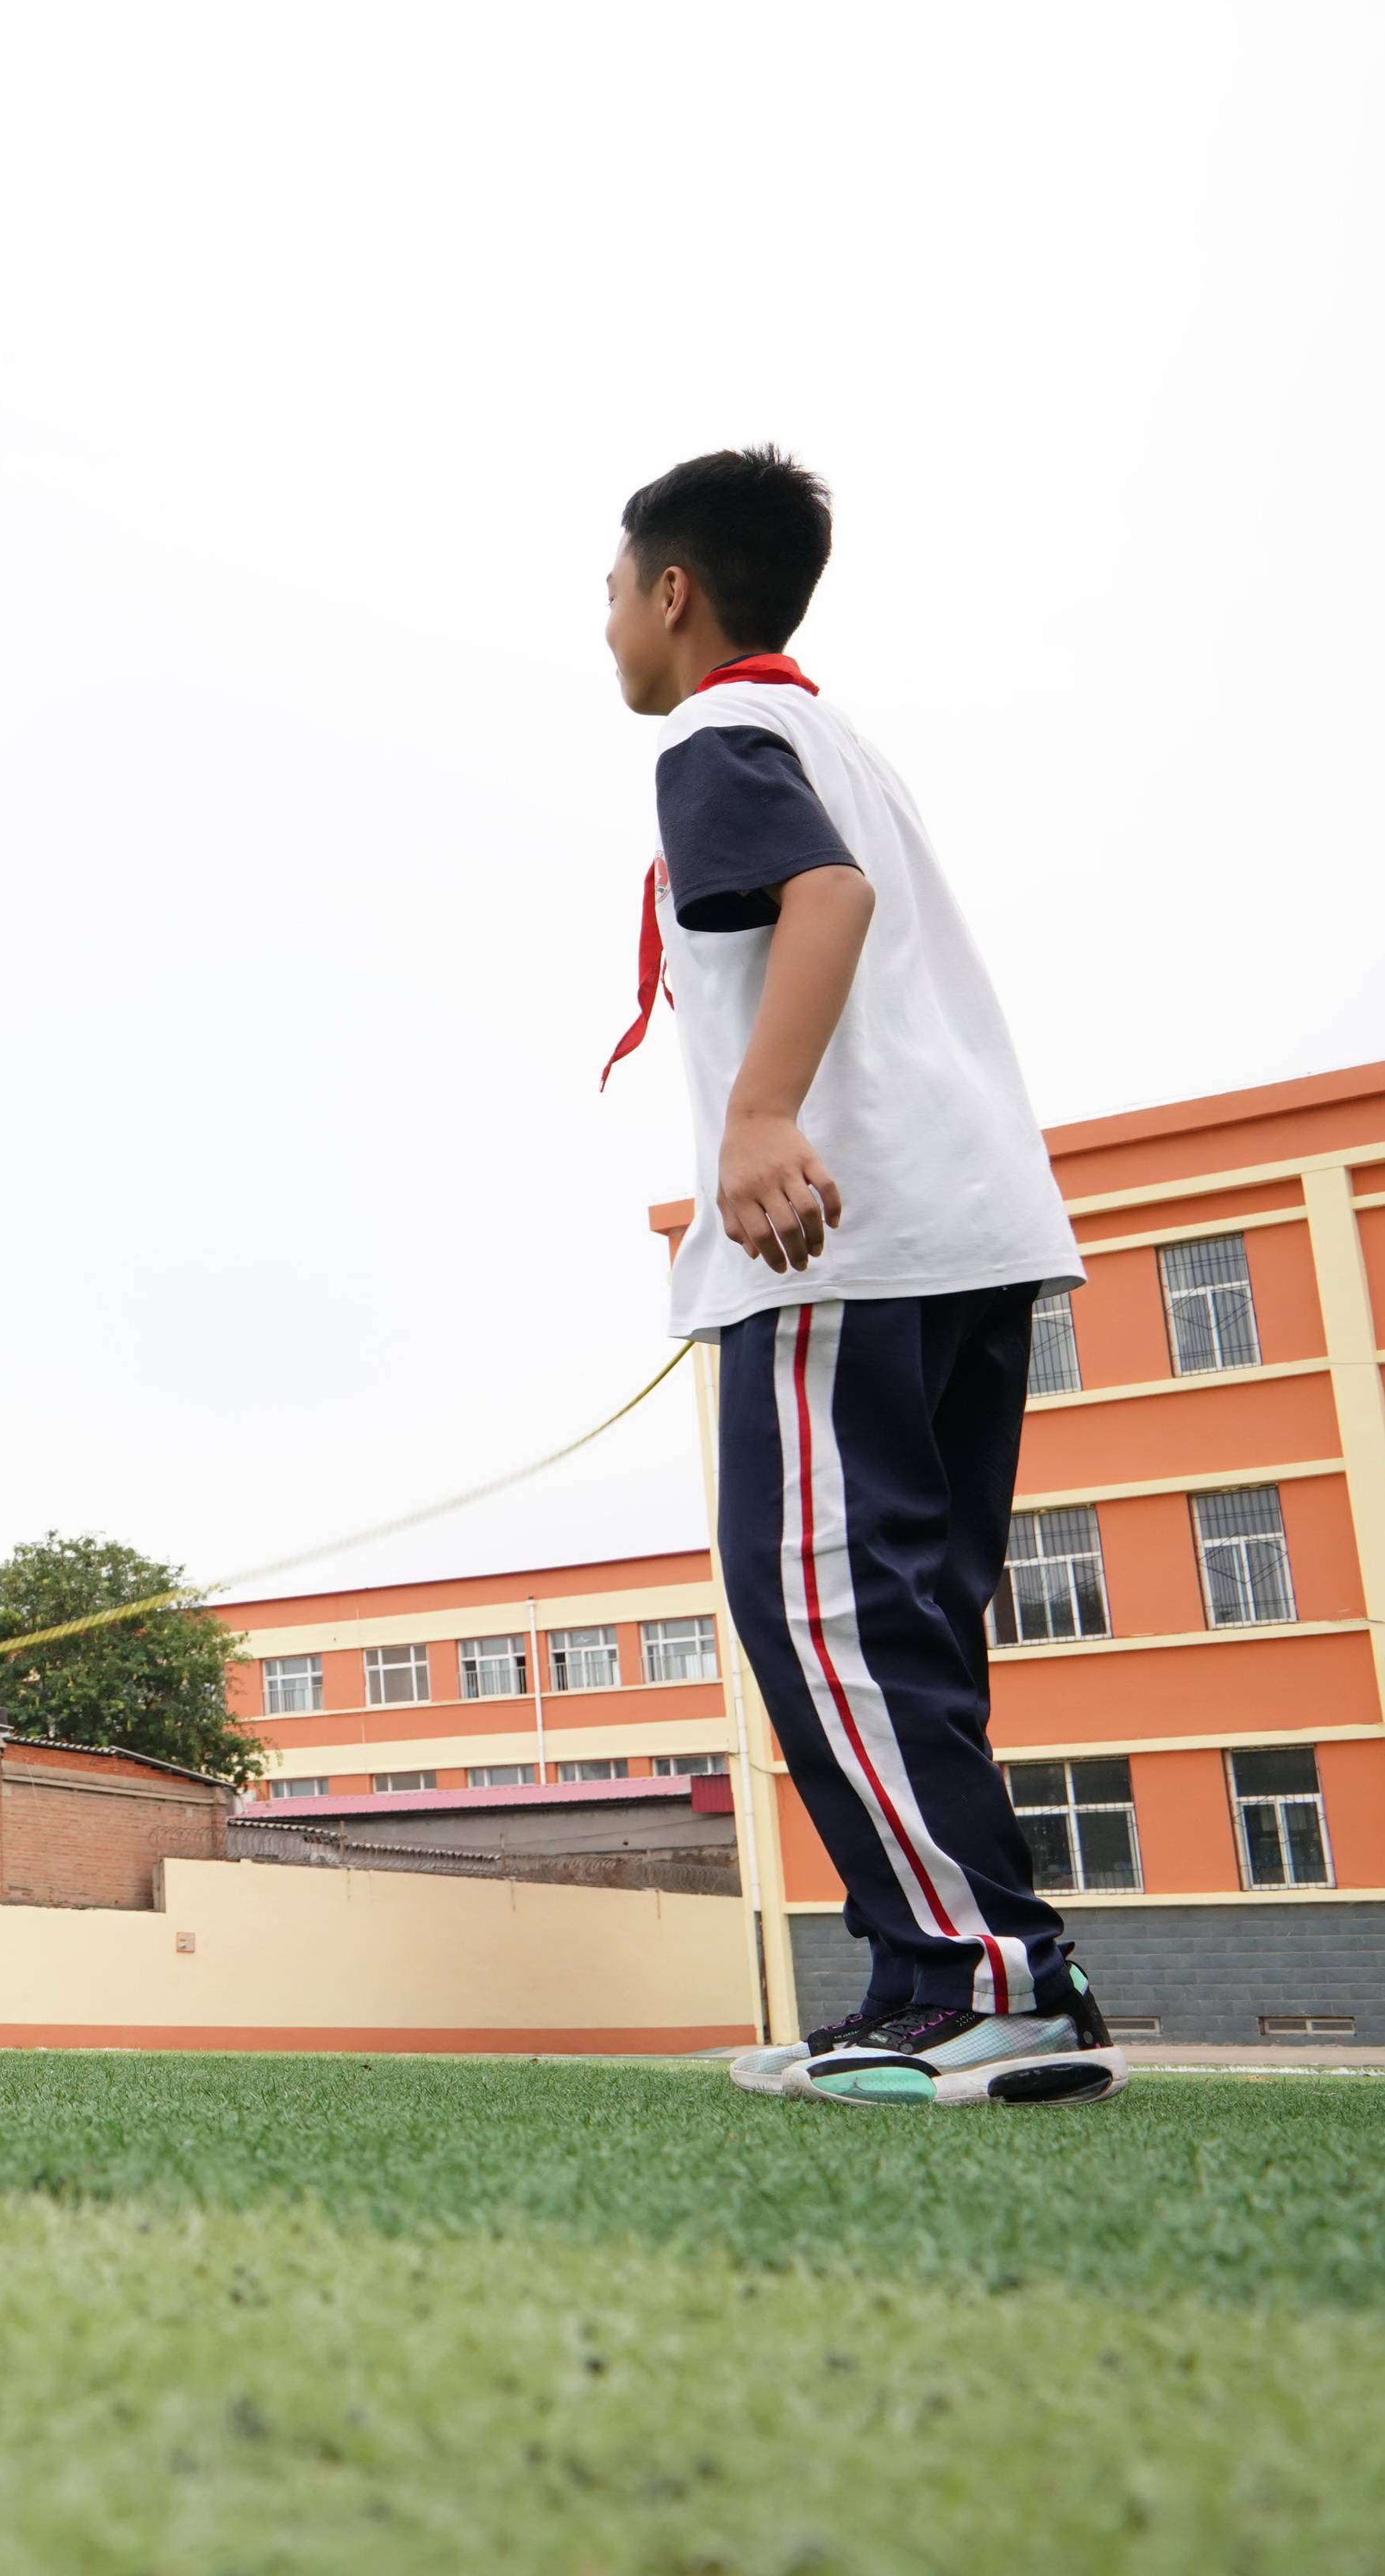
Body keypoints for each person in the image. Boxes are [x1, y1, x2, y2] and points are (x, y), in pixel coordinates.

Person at [600, 447, 1122, 2109]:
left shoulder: (717, 729)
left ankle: (984, 1974)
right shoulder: (840, 739)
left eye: (610, 593)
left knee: (818, 1609)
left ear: (673, 593)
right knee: (902, 1617)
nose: (604, 627)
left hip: (846, 1237)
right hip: (966, 1234)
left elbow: (818, 896)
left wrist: (754, 1116)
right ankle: (928, 1981)